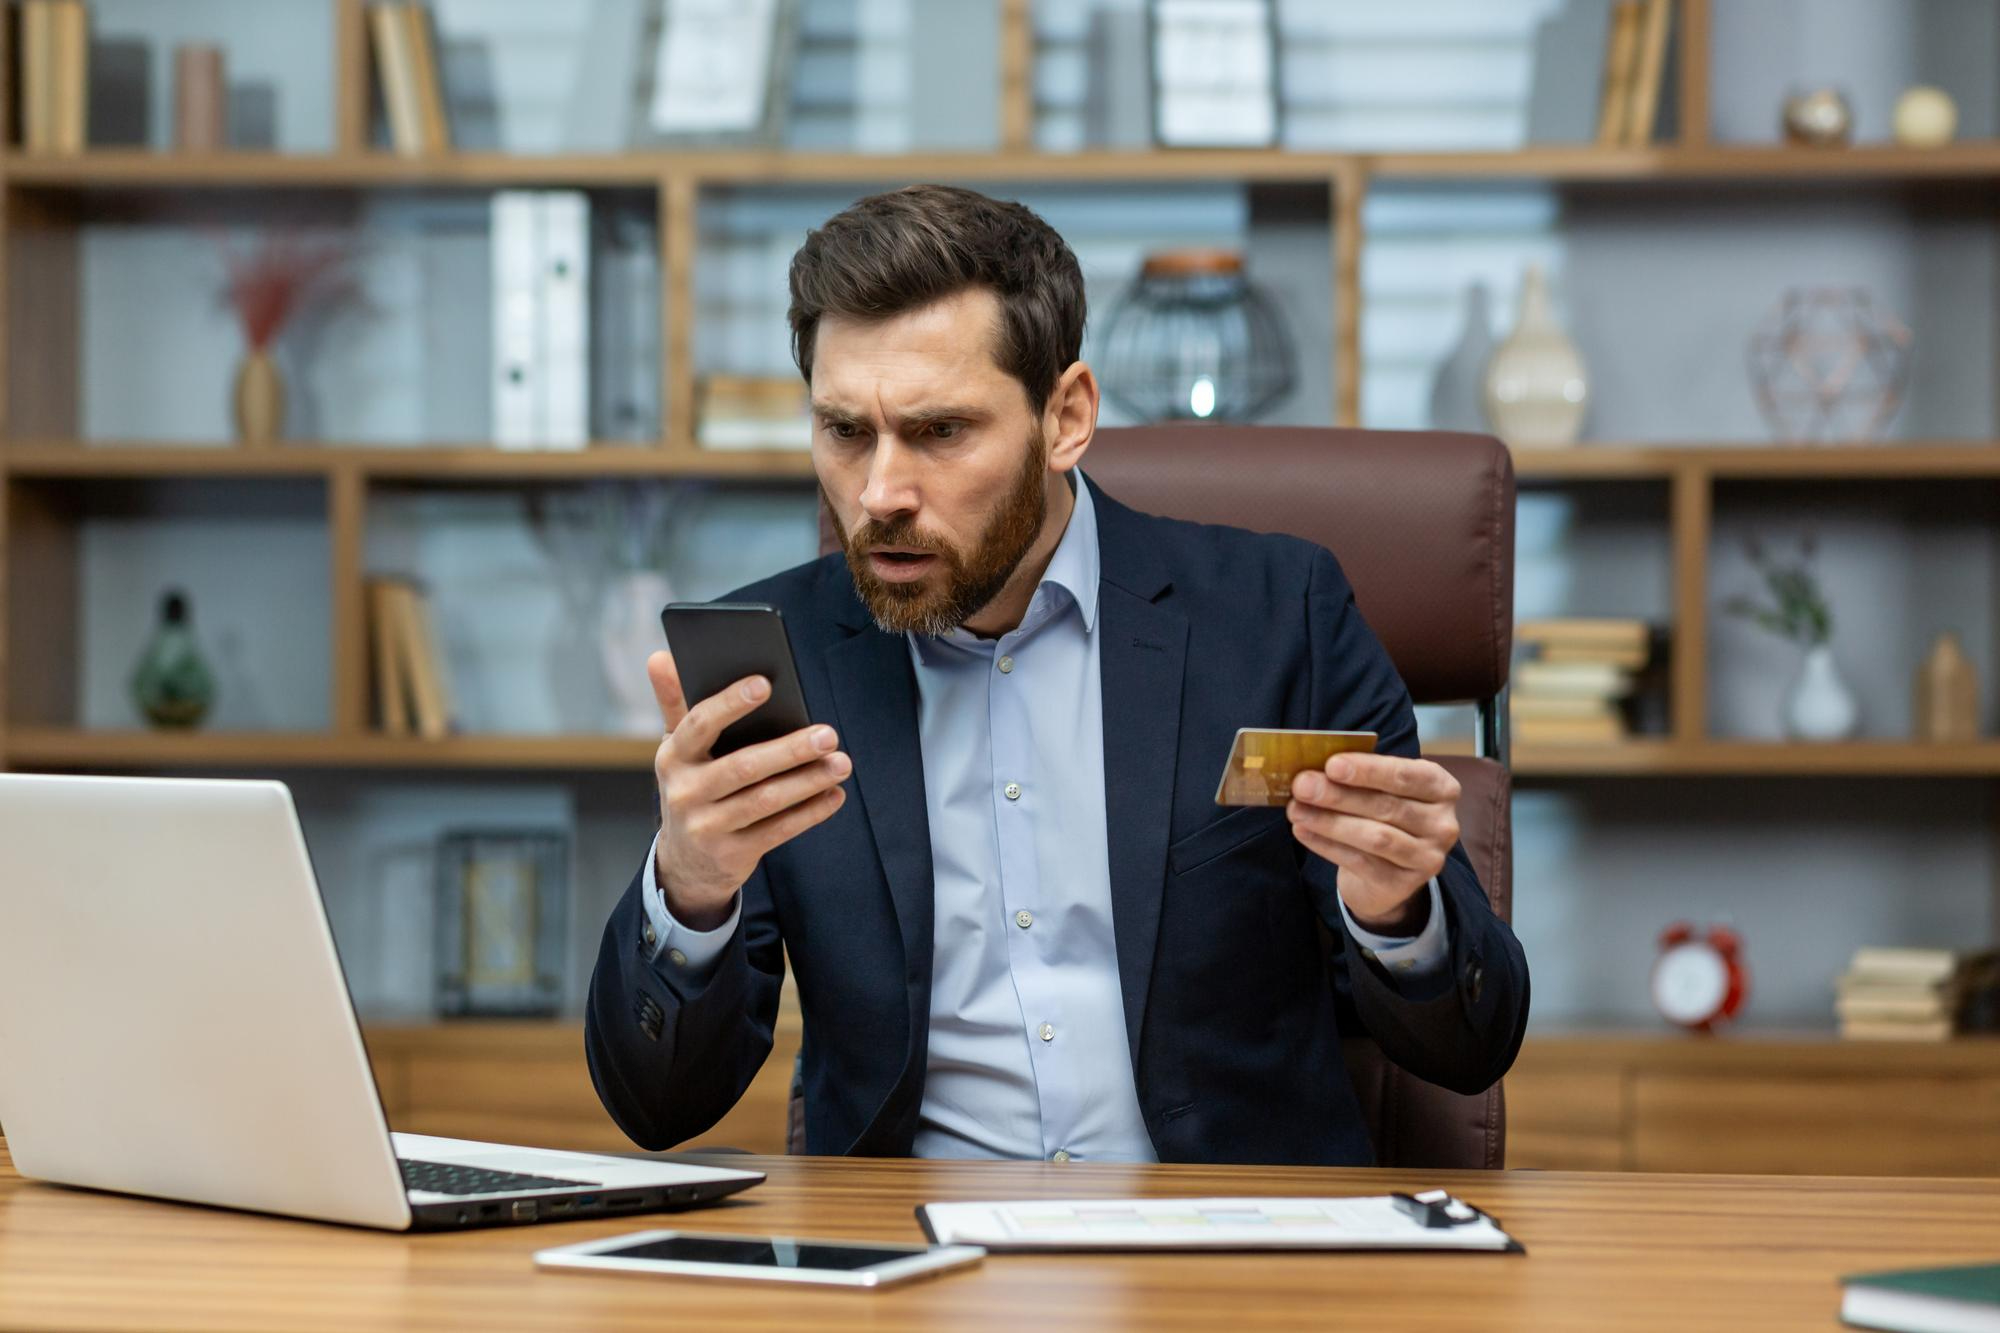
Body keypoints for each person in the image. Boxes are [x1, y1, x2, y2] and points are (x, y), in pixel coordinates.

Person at [585, 184, 1528, 1165]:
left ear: (1066, 416)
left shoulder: (1277, 616)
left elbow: (1469, 1045)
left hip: (1222, 1254)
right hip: (901, 1264)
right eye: (844, 431)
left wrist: (1395, 913)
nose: (879, 493)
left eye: (941, 431)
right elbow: (659, 1110)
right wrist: (690, 888)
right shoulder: (774, 659)